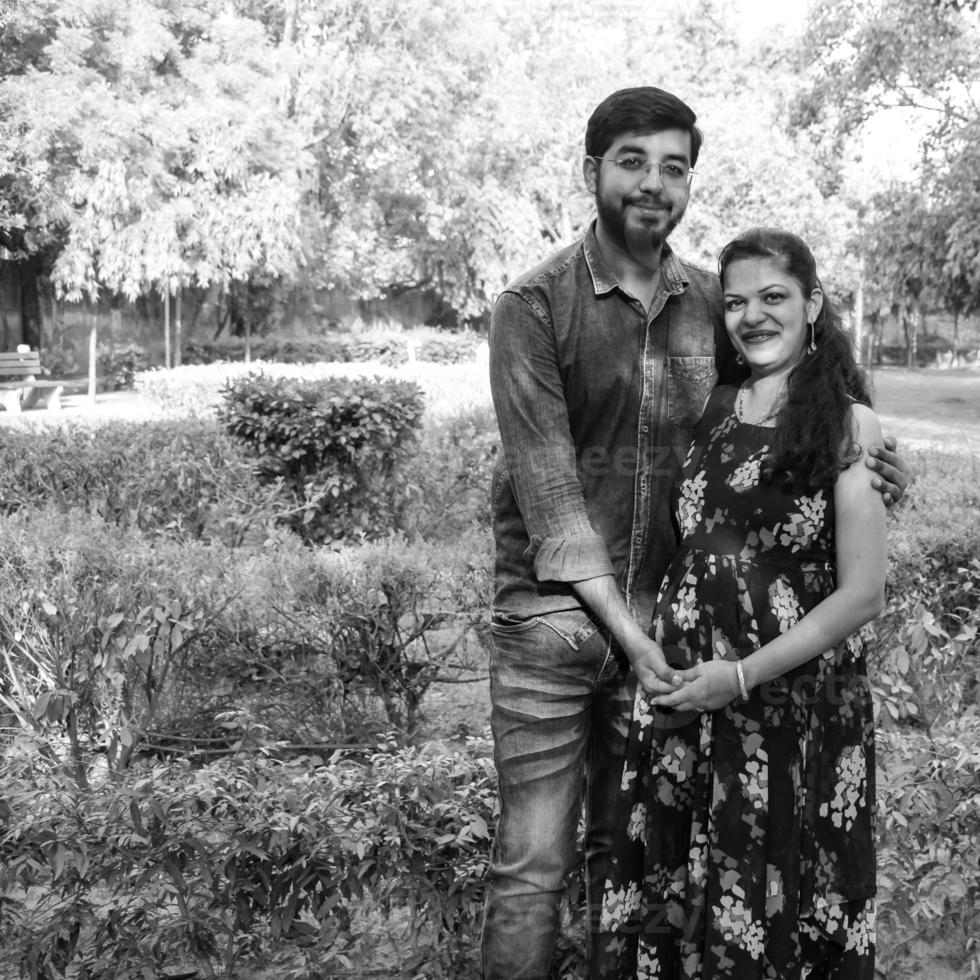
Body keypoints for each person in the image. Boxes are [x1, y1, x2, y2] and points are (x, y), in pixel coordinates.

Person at [483, 87, 905, 980]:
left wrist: (875, 468)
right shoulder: (532, 307)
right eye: (632, 161)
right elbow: (554, 509)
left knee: (631, 863)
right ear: (592, 169)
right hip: (558, 630)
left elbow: (798, 415)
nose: (653, 183)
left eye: (673, 166)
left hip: (679, 648)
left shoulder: (715, 304)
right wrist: (637, 647)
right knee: (533, 873)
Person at [595, 227, 884, 979]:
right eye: (736, 303)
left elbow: (862, 593)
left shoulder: (850, 425)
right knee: (686, 894)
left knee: (770, 893)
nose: (752, 316)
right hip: (689, 697)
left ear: (813, 304)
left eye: (773, 297)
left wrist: (744, 675)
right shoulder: (716, 408)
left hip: (785, 706)